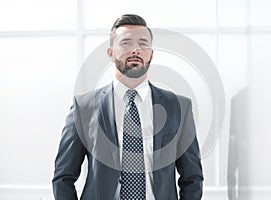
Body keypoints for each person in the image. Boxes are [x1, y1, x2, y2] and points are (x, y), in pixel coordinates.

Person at [52, 14, 204, 200]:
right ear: (111, 53)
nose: (136, 50)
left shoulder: (178, 107)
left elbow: (192, 178)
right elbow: (63, 177)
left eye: (143, 44)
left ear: (151, 54)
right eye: (126, 43)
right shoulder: (84, 108)